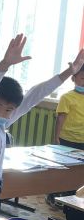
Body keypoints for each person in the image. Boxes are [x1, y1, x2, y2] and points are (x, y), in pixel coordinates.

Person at [0, 34, 84, 214]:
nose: (1, 113)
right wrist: (4, 64)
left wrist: (68, 73)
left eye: (8, 109)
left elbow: (34, 95)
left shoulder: (2, 123)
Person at [46, 64, 84, 206]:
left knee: (78, 172)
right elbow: (60, 118)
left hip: (82, 140)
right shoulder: (67, 97)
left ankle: (71, 198)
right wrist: (56, 137)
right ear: (73, 78)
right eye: (82, 78)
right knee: (61, 170)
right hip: (66, 139)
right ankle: (52, 195)